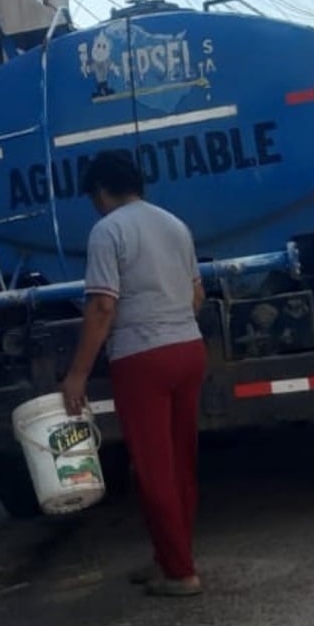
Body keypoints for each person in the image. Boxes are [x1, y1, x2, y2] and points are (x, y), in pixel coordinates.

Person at [60, 151, 207, 598]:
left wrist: (77, 375)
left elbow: (103, 305)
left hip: (142, 358)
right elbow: (196, 293)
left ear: (101, 191)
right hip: (188, 348)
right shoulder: (174, 224)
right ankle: (170, 556)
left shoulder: (108, 231)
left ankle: (180, 573)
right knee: (181, 461)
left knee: (153, 467)